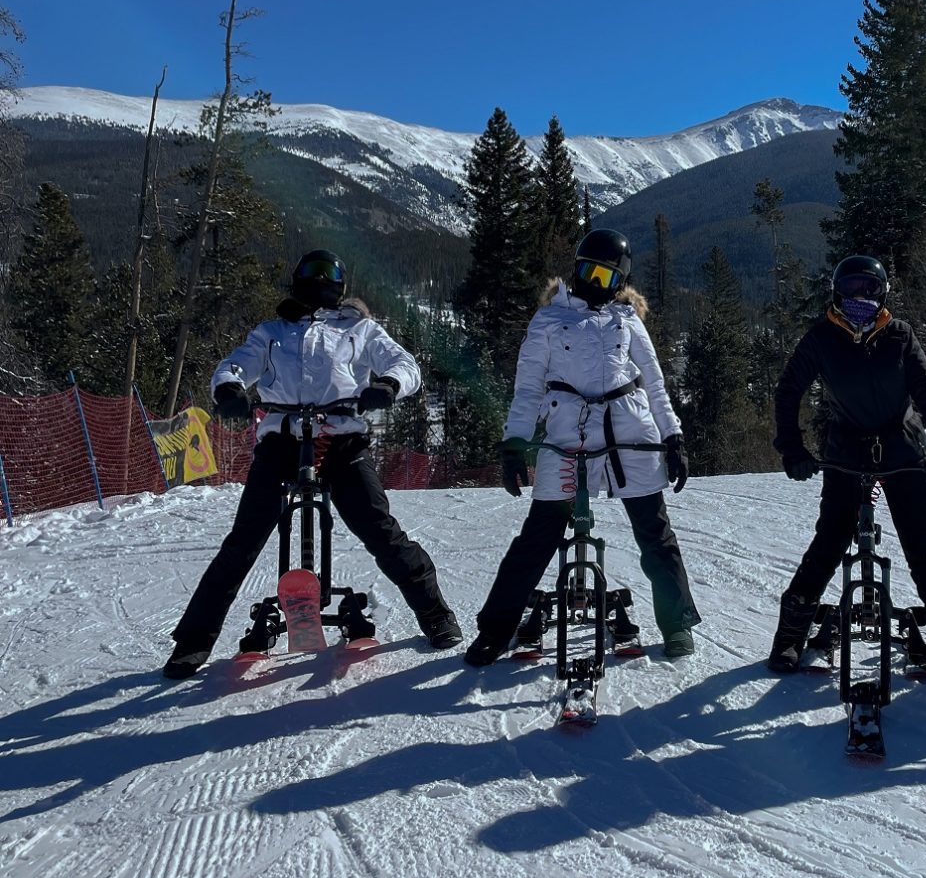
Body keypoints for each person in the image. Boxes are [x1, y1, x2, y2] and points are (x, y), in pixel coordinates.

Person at [162, 249, 461, 678]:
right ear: (296, 280)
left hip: (342, 441)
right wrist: (229, 389)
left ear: (340, 286)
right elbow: (234, 366)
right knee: (244, 540)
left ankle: (435, 613)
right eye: (311, 273)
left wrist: (389, 386)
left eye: (329, 275)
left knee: (380, 530)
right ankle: (193, 642)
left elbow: (404, 363)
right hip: (282, 441)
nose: (320, 282)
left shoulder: (358, 328)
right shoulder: (272, 332)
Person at [464, 228, 700, 665]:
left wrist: (672, 436)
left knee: (654, 531)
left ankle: (676, 622)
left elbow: (654, 381)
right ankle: (496, 628)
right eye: (588, 271)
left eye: (607, 277)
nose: (596, 283)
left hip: (629, 429)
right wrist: (514, 445)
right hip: (568, 432)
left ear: (621, 282)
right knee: (539, 535)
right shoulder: (549, 320)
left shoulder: (627, 320)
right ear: (575, 269)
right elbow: (529, 388)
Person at [770, 255, 926, 682]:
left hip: (903, 449)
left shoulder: (899, 336)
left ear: (883, 294)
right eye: (852, 289)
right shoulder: (822, 338)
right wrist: (792, 447)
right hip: (846, 451)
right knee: (829, 542)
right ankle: (789, 638)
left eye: (869, 289)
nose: (860, 298)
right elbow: (789, 391)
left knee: (921, 547)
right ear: (837, 294)